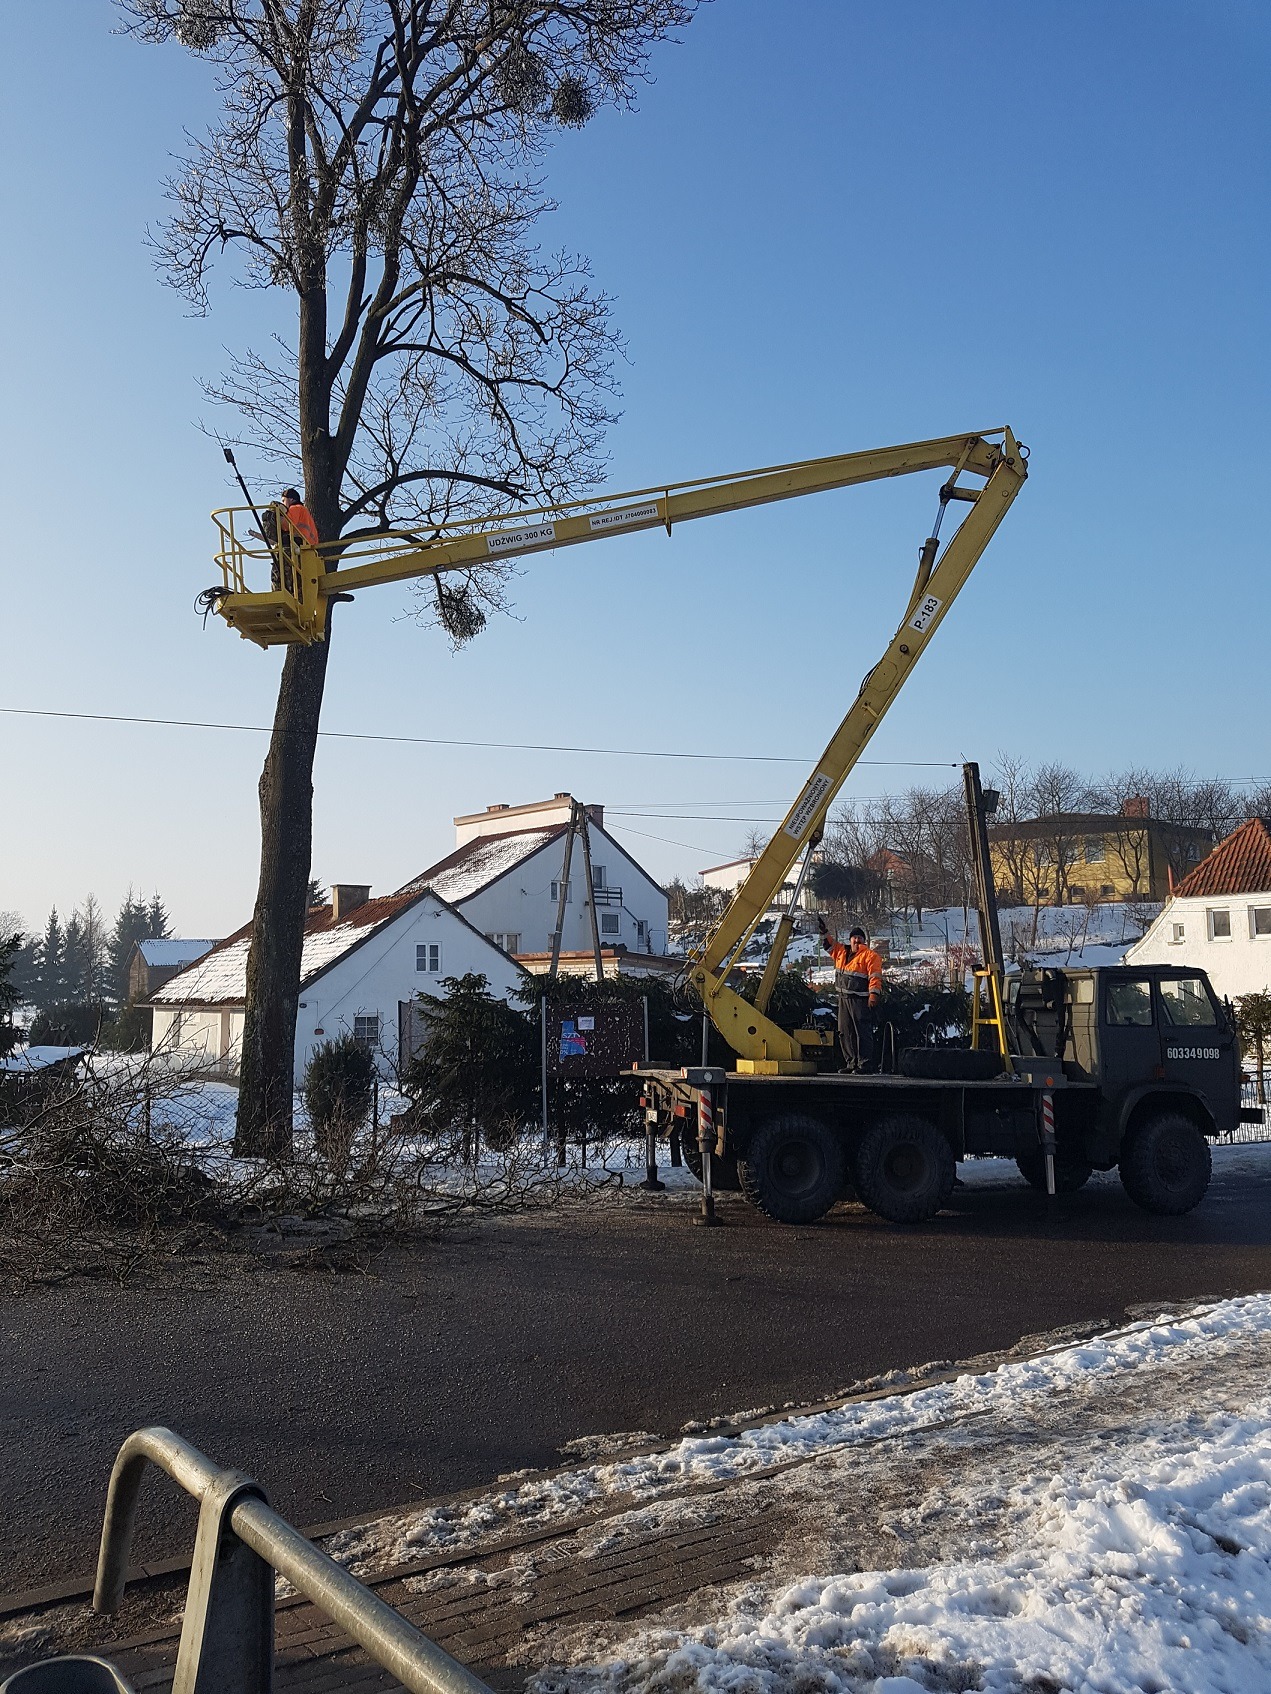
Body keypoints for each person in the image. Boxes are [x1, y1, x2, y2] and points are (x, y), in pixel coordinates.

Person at [819, 921, 884, 1073]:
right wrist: (824, 932)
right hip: (843, 998)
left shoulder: (870, 956)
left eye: (859, 938)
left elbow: (875, 976)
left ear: (864, 941)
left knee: (862, 1031)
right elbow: (829, 944)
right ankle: (851, 1063)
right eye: (854, 937)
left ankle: (865, 1064)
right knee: (844, 1031)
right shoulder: (841, 951)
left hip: (860, 999)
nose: (856, 940)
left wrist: (874, 994)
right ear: (850, 940)